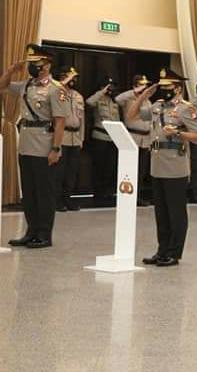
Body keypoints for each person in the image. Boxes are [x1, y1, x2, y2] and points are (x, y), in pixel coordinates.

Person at [126, 69, 197, 267]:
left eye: (168, 87)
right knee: (161, 213)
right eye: (162, 87)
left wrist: (177, 133)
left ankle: (174, 253)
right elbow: (131, 115)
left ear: (177, 88)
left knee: (175, 212)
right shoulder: (157, 106)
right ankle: (162, 250)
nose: (164, 90)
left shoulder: (186, 109)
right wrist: (143, 96)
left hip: (175, 166)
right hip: (157, 164)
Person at [0, 44, 70, 249]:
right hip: (26, 144)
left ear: (46, 65)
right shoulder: (27, 85)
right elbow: (2, 86)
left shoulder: (56, 89)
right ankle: (31, 231)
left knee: (44, 192)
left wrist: (55, 149)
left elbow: (60, 122)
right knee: (29, 193)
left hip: (44, 146)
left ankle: (44, 234)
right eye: (30, 62)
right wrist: (10, 71)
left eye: (36, 62)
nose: (31, 66)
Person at [116, 74, 154, 206]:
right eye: (141, 85)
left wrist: (150, 141)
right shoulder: (129, 98)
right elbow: (117, 99)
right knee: (130, 170)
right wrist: (134, 92)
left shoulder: (147, 101)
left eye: (145, 85)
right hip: (132, 137)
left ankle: (138, 196)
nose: (144, 87)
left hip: (145, 139)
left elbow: (148, 121)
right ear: (135, 85)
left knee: (141, 171)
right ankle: (128, 196)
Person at [86, 76, 121, 207]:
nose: (110, 89)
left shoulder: (115, 101)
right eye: (108, 86)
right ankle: (98, 194)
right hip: (100, 136)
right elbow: (89, 102)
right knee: (99, 167)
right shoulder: (98, 99)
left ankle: (108, 193)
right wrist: (102, 92)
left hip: (113, 138)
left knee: (110, 168)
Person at [55, 66, 84, 211]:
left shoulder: (78, 96)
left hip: (75, 137)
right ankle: (57, 200)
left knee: (71, 172)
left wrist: (81, 139)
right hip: (63, 137)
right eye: (71, 77)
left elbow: (82, 119)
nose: (74, 80)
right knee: (59, 171)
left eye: (75, 78)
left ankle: (68, 198)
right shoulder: (56, 93)